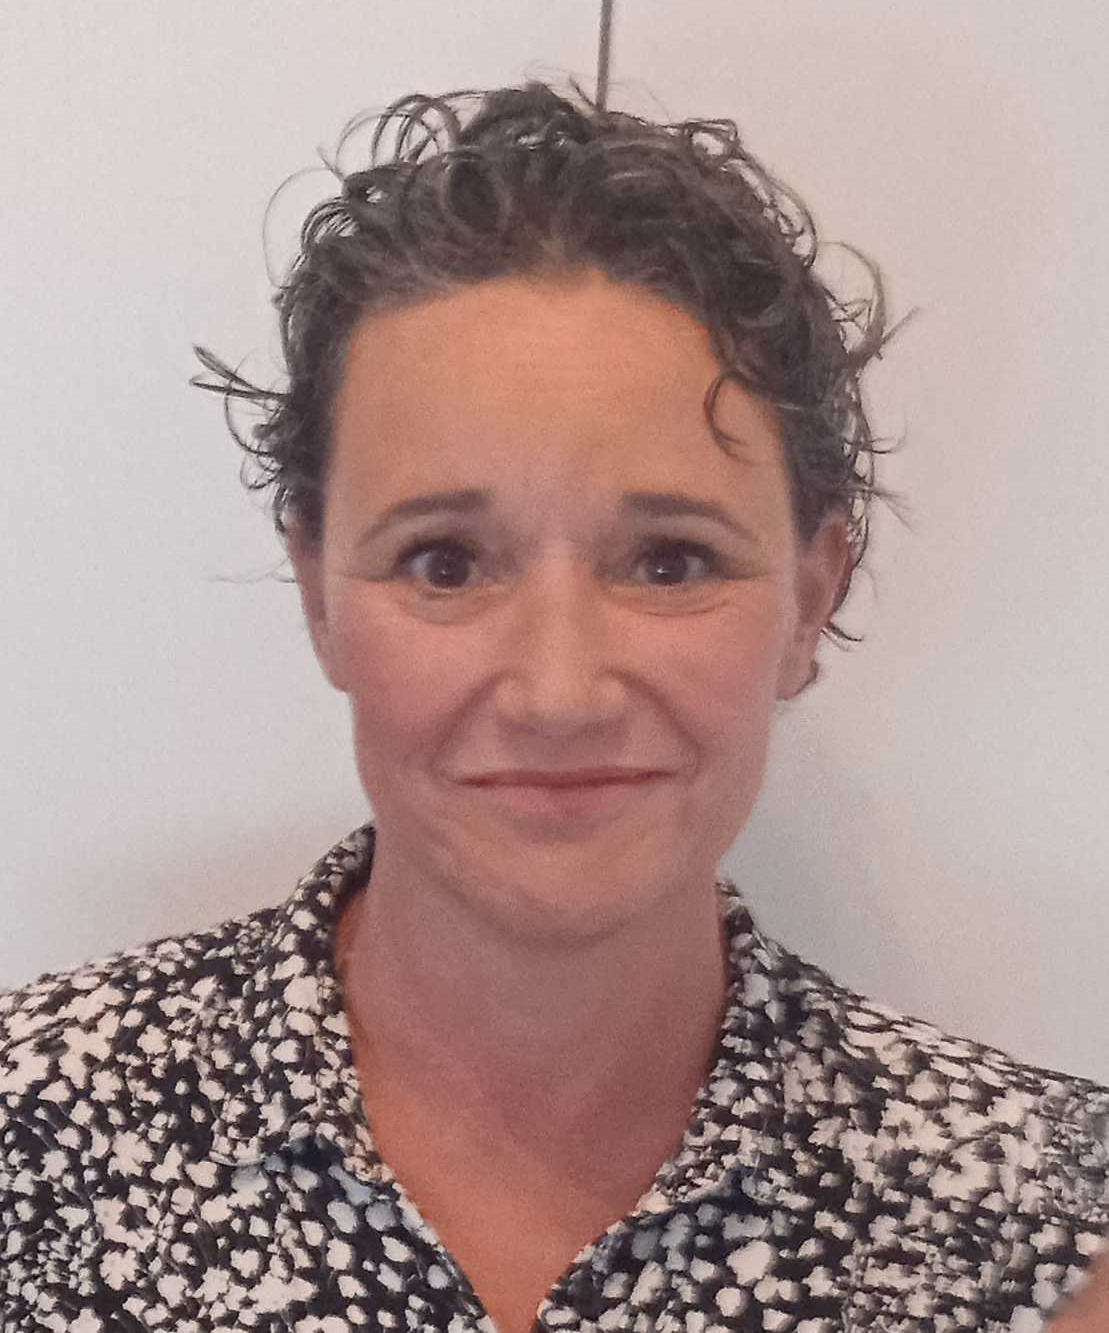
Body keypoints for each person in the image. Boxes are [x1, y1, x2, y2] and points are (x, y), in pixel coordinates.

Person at [1, 81, 1106, 1333]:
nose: (557, 693)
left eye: (670, 562)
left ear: (809, 600)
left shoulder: (1047, 1225)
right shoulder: (27, 1133)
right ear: (318, 593)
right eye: (444, 564)